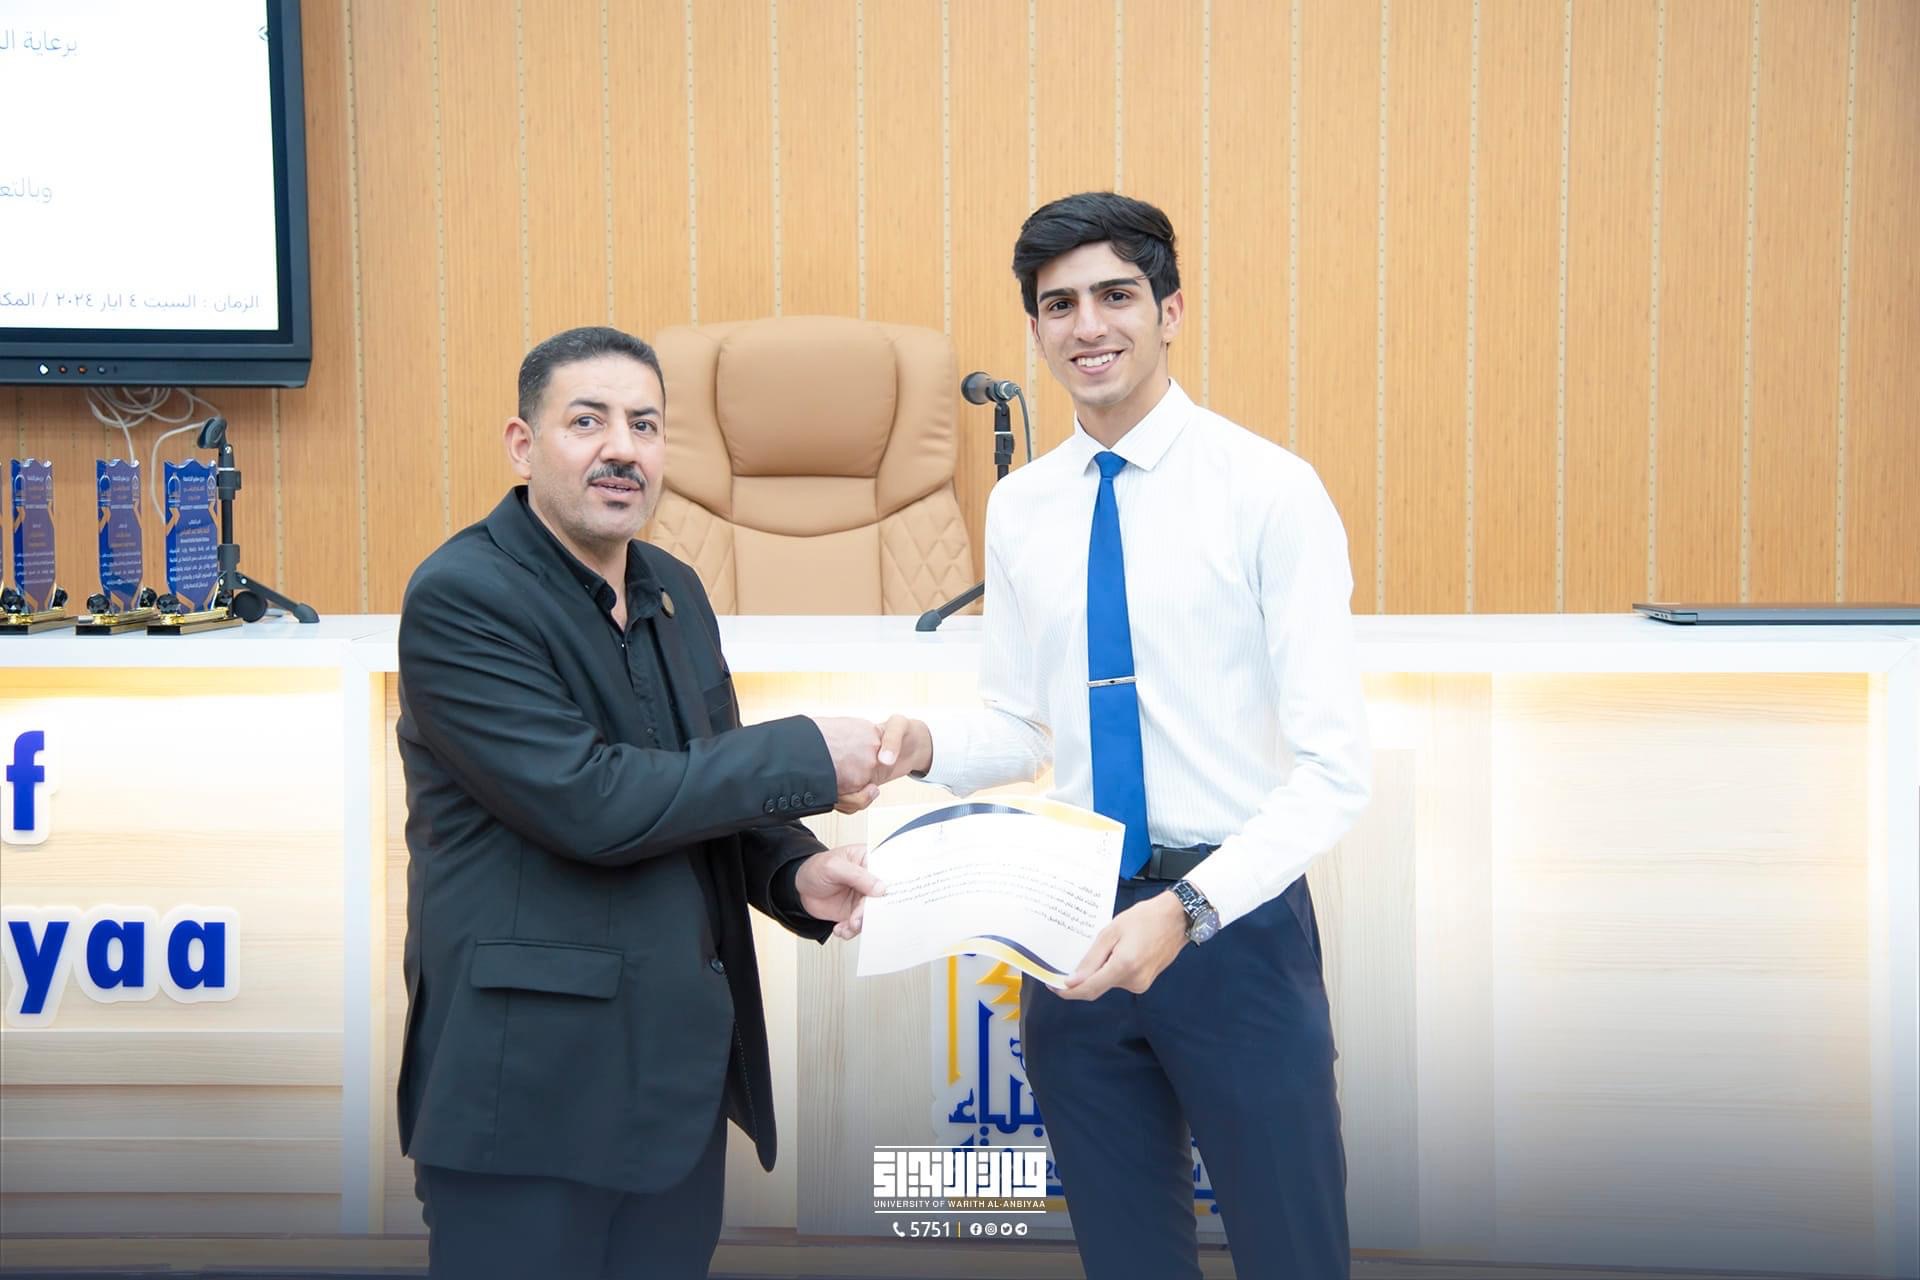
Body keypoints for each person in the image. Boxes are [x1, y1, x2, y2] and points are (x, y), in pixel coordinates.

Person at [874, 193, 1372, 1278]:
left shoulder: (1270, 491)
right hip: (1074, 925)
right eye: (1060, 305)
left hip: (1230, 921)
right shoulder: (1023, 506)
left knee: (1292, 1249)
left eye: (1116, 295)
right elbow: (1021, 725)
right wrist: (920, 746)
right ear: (1036, 329)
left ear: (1170, 311)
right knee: (1124, 1252)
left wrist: (1185, 912)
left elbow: (1335, 772)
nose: (1088, 325)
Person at [394, 325, 886, 1278]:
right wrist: (805, 752)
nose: (623, 448)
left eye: (646, 425)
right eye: (588, 421)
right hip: (527, 1100)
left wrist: (795, 871)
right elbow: (591, 801)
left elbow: (705, 780)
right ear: (522, 444)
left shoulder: (674, 592)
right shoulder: (463, 596)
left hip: (670, 1094)